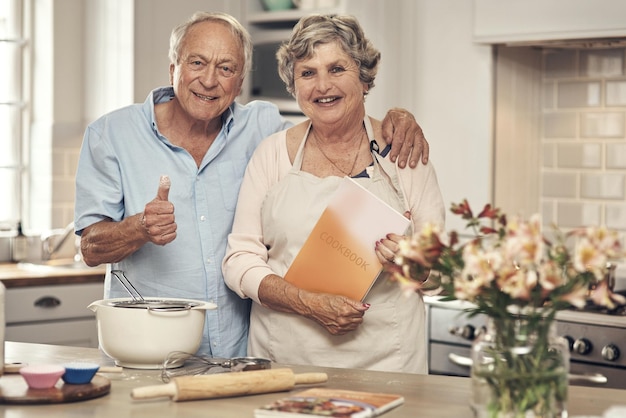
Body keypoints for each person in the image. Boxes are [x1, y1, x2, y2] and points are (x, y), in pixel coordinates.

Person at [74, 11, 431, 359]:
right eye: (197, 63)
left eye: (226, 68)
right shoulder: (111, 135)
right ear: (173, 69)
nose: (210, 80)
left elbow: (334, 122)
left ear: (240, 81)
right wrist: (139, 228)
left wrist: (398, 117)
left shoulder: (262, 127)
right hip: (147, 346)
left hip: (237, 353)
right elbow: (90, 249)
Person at [222, 14, 445, 373]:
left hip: (389, 366)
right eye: (307, 73)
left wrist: (416, 267)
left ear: (365, 77)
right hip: (286, 363)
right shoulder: (273, 153)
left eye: (337, 68)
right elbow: (239, 261)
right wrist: (306, 302)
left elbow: (444, 273)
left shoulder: (404, 153)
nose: (322, 85)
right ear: (293, 86)